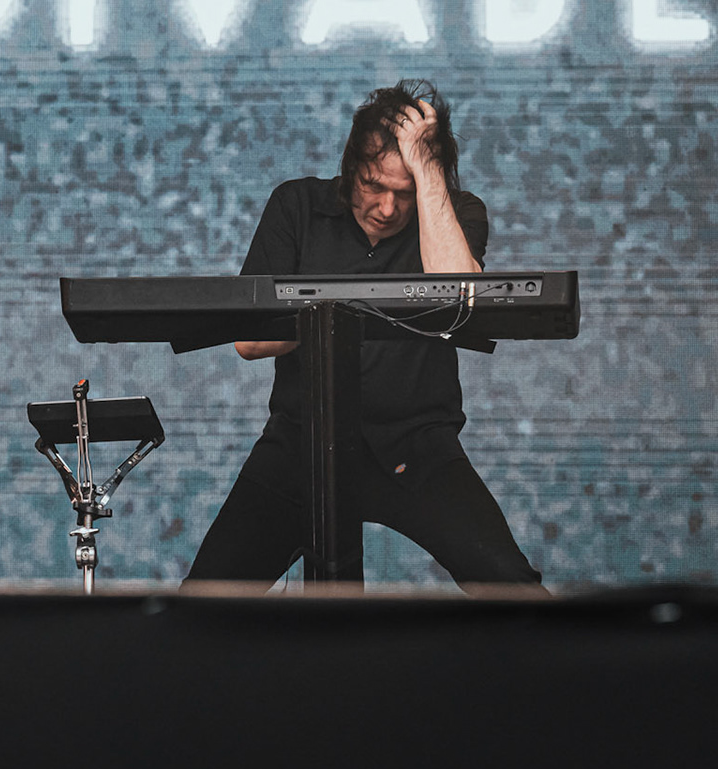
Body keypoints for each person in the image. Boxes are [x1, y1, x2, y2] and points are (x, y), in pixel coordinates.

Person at [182, 81, 542, 591]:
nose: (388, 208)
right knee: (204, 599)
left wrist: (430, 170)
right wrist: (339, 306)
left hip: (415, 445)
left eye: (405, 191)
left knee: (511, 584)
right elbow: (249, 342)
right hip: (300, 446)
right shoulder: (296, 205)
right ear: (350, 166)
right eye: (374, 185)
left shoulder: (455, 213)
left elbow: (462, 299)